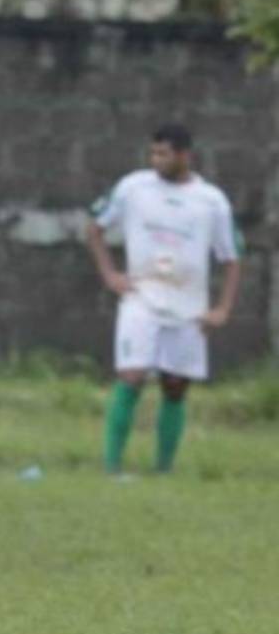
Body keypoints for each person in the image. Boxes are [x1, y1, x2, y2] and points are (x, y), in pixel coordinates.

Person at [86, 124, 241, 474]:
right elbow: (95, 227)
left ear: (185, 155)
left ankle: (164, 468)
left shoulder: (211, 200)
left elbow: (231, 257)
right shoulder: (133, 188)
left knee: (175, 385)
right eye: (153, 153)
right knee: (132, 375)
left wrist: (222, 308)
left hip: (189, 305)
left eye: (164, 154)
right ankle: (112, 467)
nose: (156, 160)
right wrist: (110, 274)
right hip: (141, 298)